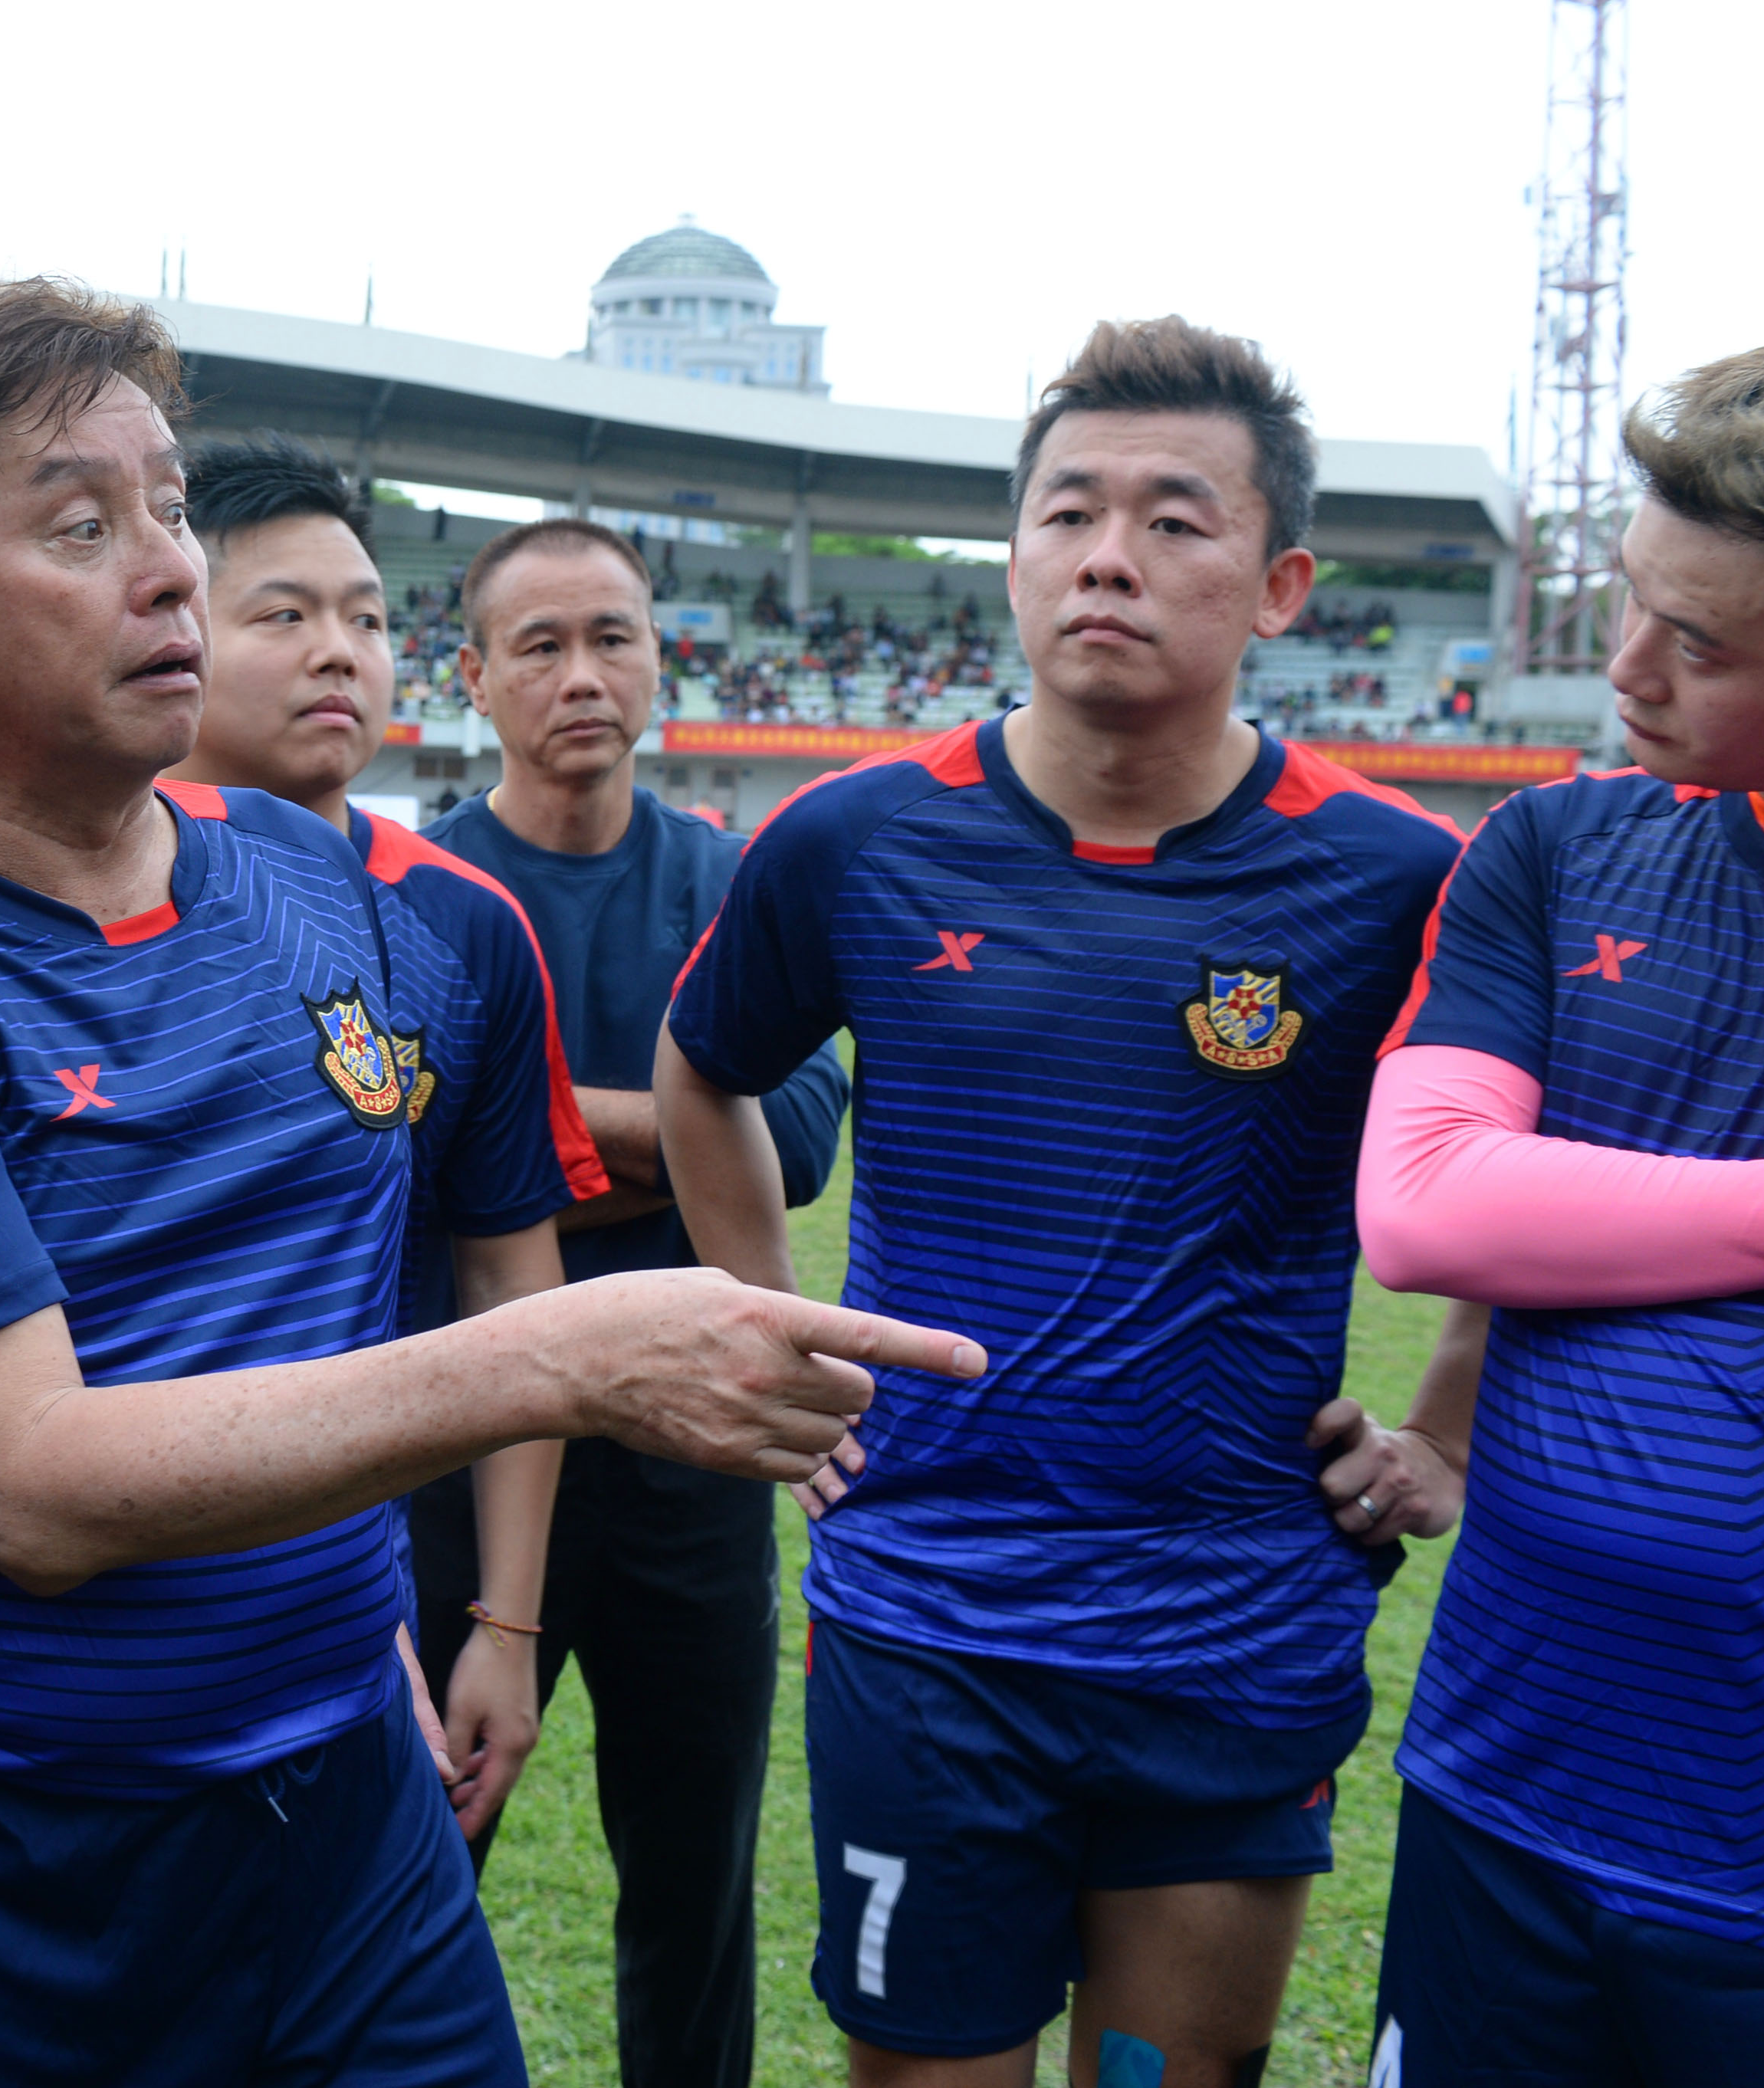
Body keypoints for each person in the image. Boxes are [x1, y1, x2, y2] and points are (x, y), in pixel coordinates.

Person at [0, 276, 981, 2088]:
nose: (168, 570)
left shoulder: (364, 907)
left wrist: (480, 1615)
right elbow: (31, 1488)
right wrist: (568, 1358)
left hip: (351, 1807)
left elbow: (470, 1245)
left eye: (166, 506)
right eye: (77, 524)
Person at [658, 317, 1469, 2088]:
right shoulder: (857, 838)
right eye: (1064, 513)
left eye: (1174, 518)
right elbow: (701, 1066)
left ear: (1278, 586)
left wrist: (1443, 1433)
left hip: (1238, 1621)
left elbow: (1495, 1157)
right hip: (928, 1614)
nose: (1105, 553)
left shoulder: (1397, 876)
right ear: (1013, 556)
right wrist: (769, 1337)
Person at [1355, 336, 1764, 2083]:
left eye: (1699, 640)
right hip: (1503, 1788)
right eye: (1628, 598)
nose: (1619, 669)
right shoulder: (1557, 848)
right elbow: (1422, 1208)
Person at [419, 517, 853, 2088]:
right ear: (473, 678)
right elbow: (410, 1161)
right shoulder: (422, 888)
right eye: (539, 644)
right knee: (413, 1869)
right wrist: (679, 1131)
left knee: (695, 1887)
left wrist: (524, 1137)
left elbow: (798, 1142)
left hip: (696, 1455)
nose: (582, 674)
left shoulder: (731, 879)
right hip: (464, 1454)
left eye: (613, 636)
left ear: (662, 664)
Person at [163, 435, 604, 1846]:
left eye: (364, 615)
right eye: (282, 613)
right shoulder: (61, 913)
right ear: (176, 625)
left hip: (404, 1568)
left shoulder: (464, 923)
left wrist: (505, 1620)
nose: (338, 649)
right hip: (141, 1578)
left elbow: (510, 1285)